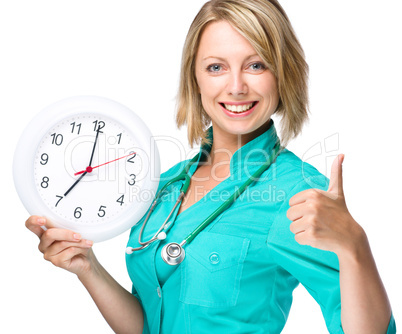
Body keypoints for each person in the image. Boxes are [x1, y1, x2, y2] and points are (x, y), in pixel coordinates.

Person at [26, 0, 396, 333]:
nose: (236, 86)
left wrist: (355, 246)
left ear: (283, 75)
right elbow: (149, 324)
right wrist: (86, 266)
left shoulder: (299, 192)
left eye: (256, 65)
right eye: (216, 67)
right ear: (195, 78)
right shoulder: (167, 184)